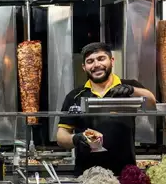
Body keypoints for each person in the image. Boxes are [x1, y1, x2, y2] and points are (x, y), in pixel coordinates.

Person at [56, 42, 156, 176]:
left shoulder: (129, 87)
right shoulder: (75, 96)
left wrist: (133, 90)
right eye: (90, 61)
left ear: (112, 61)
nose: (96, 65)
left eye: (101, 58)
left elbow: (152, 103)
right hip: (86, 176)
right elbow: (61, 136)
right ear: (84, 67)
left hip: (124, 175)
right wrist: (76, 138)